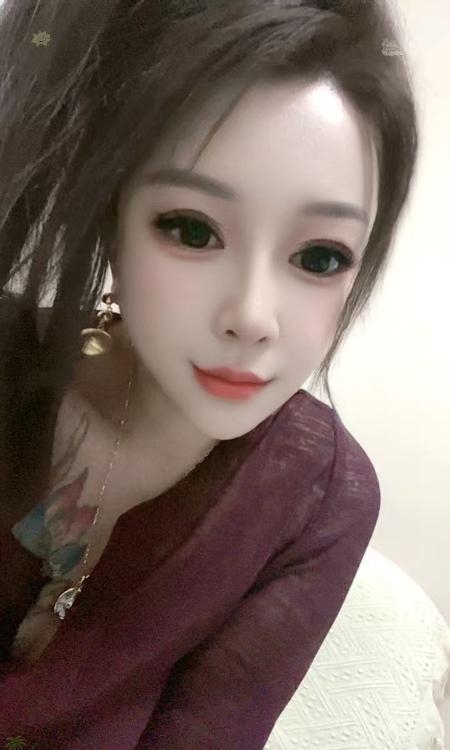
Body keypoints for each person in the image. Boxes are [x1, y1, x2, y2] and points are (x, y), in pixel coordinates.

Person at [0, 0, 418, 747]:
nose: (253, 317)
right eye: (192, 229)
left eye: (320, 256)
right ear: (112, 217)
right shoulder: (13, 361)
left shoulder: (320, 497)